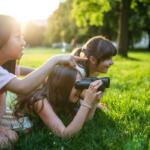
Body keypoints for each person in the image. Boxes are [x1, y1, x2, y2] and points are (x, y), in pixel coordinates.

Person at [0, 15, 84, 149]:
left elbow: (19, 69)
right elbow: (23, 87)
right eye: (17, 37)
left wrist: (50, 74)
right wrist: (54, 60)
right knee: (6, 141)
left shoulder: (4, 68)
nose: (23, 42)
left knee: (11, 138)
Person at [14, 63, 103, 138]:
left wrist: (94, 102)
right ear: (61, 86)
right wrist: (87, 103)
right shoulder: (40, 101)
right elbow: (64, 134)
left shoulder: (65, 97)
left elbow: (86, 120)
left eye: (80, 84)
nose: (79, 89)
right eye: (76, 85)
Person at [72, 36, 117, 109]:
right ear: (93, 59)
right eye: (108, 58)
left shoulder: (94, 71)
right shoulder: (78, 73)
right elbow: (71, 99)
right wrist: (96, 106)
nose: (112, 62)